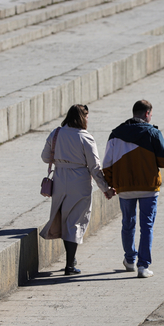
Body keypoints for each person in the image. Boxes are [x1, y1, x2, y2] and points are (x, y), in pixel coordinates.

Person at [40, 104, 114, 275]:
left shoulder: (55, 133)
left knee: (65, 219)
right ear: (82, 117)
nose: (88, 119)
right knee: (75, 222)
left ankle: (70, 260)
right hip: (79, 181)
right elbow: (95, 167)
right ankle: (70, 265)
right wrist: (106, 188)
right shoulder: (85, 137)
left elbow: (45, 157)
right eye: (87, 116)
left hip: (59, 179)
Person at [103, 100, 164, 278]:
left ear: (134, 112)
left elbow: (107, 164)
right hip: (149, 187)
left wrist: (112, 184)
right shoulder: (153, 133)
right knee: (146, 225)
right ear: (147, 114)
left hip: (124, 187)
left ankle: (130, 260)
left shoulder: (115, 134)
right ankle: (143, 266)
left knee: (128, 223)